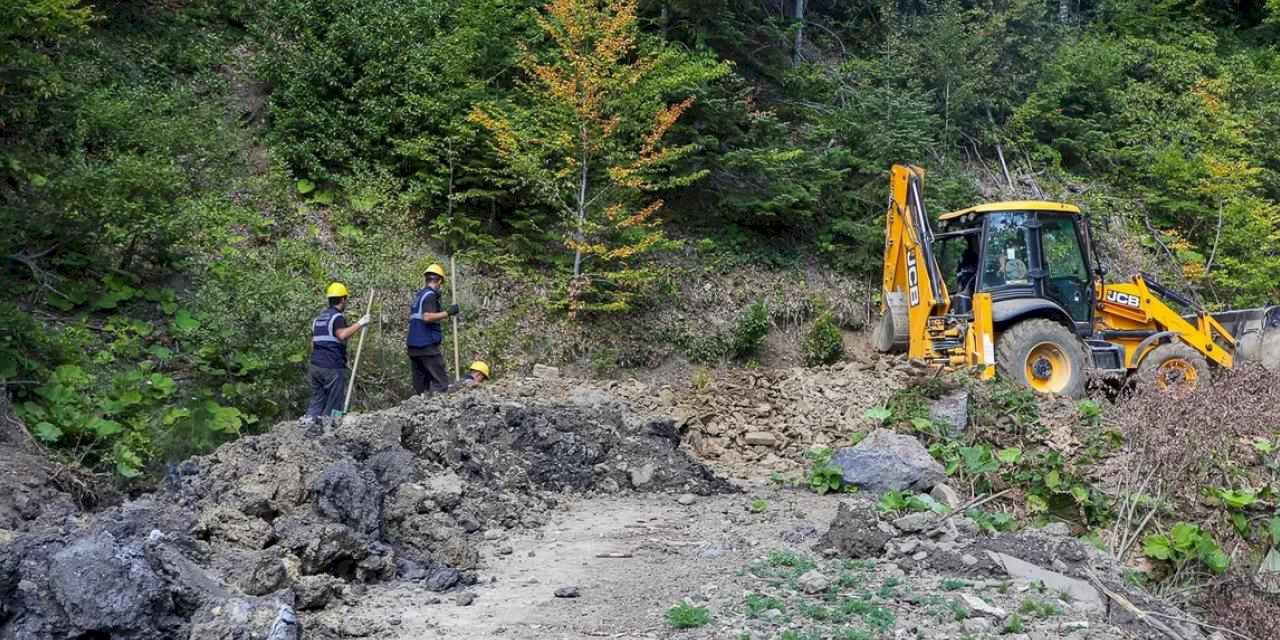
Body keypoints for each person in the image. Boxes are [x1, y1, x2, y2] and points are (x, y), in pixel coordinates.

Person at [305, 282, 370, 424]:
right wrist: (360, 323)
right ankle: (329, 428)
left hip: (316, 365)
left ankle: (308, 425)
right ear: (343, 299)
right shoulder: (337, 318)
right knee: (334, 401)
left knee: (318, 399)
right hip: (332, 366)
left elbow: (313, 343)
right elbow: (342, 335)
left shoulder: (318, 319)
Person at [407, 264, 459, 394]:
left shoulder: (419, 296)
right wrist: (449, 312)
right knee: (441, 383)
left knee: (421, 387)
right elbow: (427, 317)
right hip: (426, 345)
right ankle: (437, 410)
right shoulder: (430, 296)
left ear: (426, 279)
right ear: (440, 281)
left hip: (413, 347)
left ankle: (420, 409)